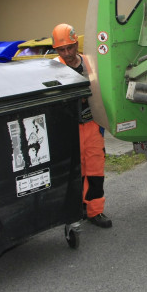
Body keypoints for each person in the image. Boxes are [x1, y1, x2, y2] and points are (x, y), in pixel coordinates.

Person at [52, 23, 112, 228]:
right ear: (56, 49)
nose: (67, 53)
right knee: (74, 172)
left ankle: (95, 211)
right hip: (69, 129)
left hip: (92, 125)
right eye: (62, 49)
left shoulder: (89, 63)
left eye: (70, 47)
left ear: (76, 42)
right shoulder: (52, 68)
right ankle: (75, 211)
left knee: (95, 170)